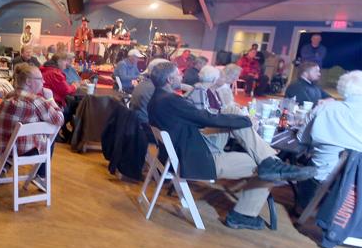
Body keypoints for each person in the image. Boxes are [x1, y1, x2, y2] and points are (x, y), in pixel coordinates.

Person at [146, 62, 316, 230]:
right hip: (198, 159)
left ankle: (268, 160)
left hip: (187, 150)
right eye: (178, 74)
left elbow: (199, 119)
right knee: (267, 168)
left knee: (233, 113)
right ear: (169, 80)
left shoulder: (156, 100)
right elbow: (204, 119)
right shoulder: (172, 101)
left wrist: (238, 120)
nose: (182, 76)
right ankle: (243, 214)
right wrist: (245, 121)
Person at [296, 71, 362, 210]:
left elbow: (301, 139)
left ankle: (302, 207)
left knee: (308, 161)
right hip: (355, 189)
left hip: (319, 182)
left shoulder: (324, 109)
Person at [0, 63, 63, 180]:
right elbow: (60, 120)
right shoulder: (36, 101)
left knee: (22, 128)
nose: (43, 81)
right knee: (50, 135)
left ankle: (5, 164)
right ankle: (41, 176)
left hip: (1, 147)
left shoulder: (9, 95)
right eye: (40, 79)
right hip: (20, 150)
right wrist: (50, 99)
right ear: (29, 81)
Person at [40, 52, 80, 142]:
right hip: (50, 101)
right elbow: (66, 90)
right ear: (59, 61)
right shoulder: (54, 73)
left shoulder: (46, 69)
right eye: (65, 61)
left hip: (45, 98)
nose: (67, 63)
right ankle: (59, 131)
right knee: (73, 106)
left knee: (71, 103)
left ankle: (64, 129)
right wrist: (75, 86)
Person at [128, 58, 170, 125]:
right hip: (147, 127)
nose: (180, 76)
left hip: (137, 123)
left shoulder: (145, 83)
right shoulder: (156, 89)